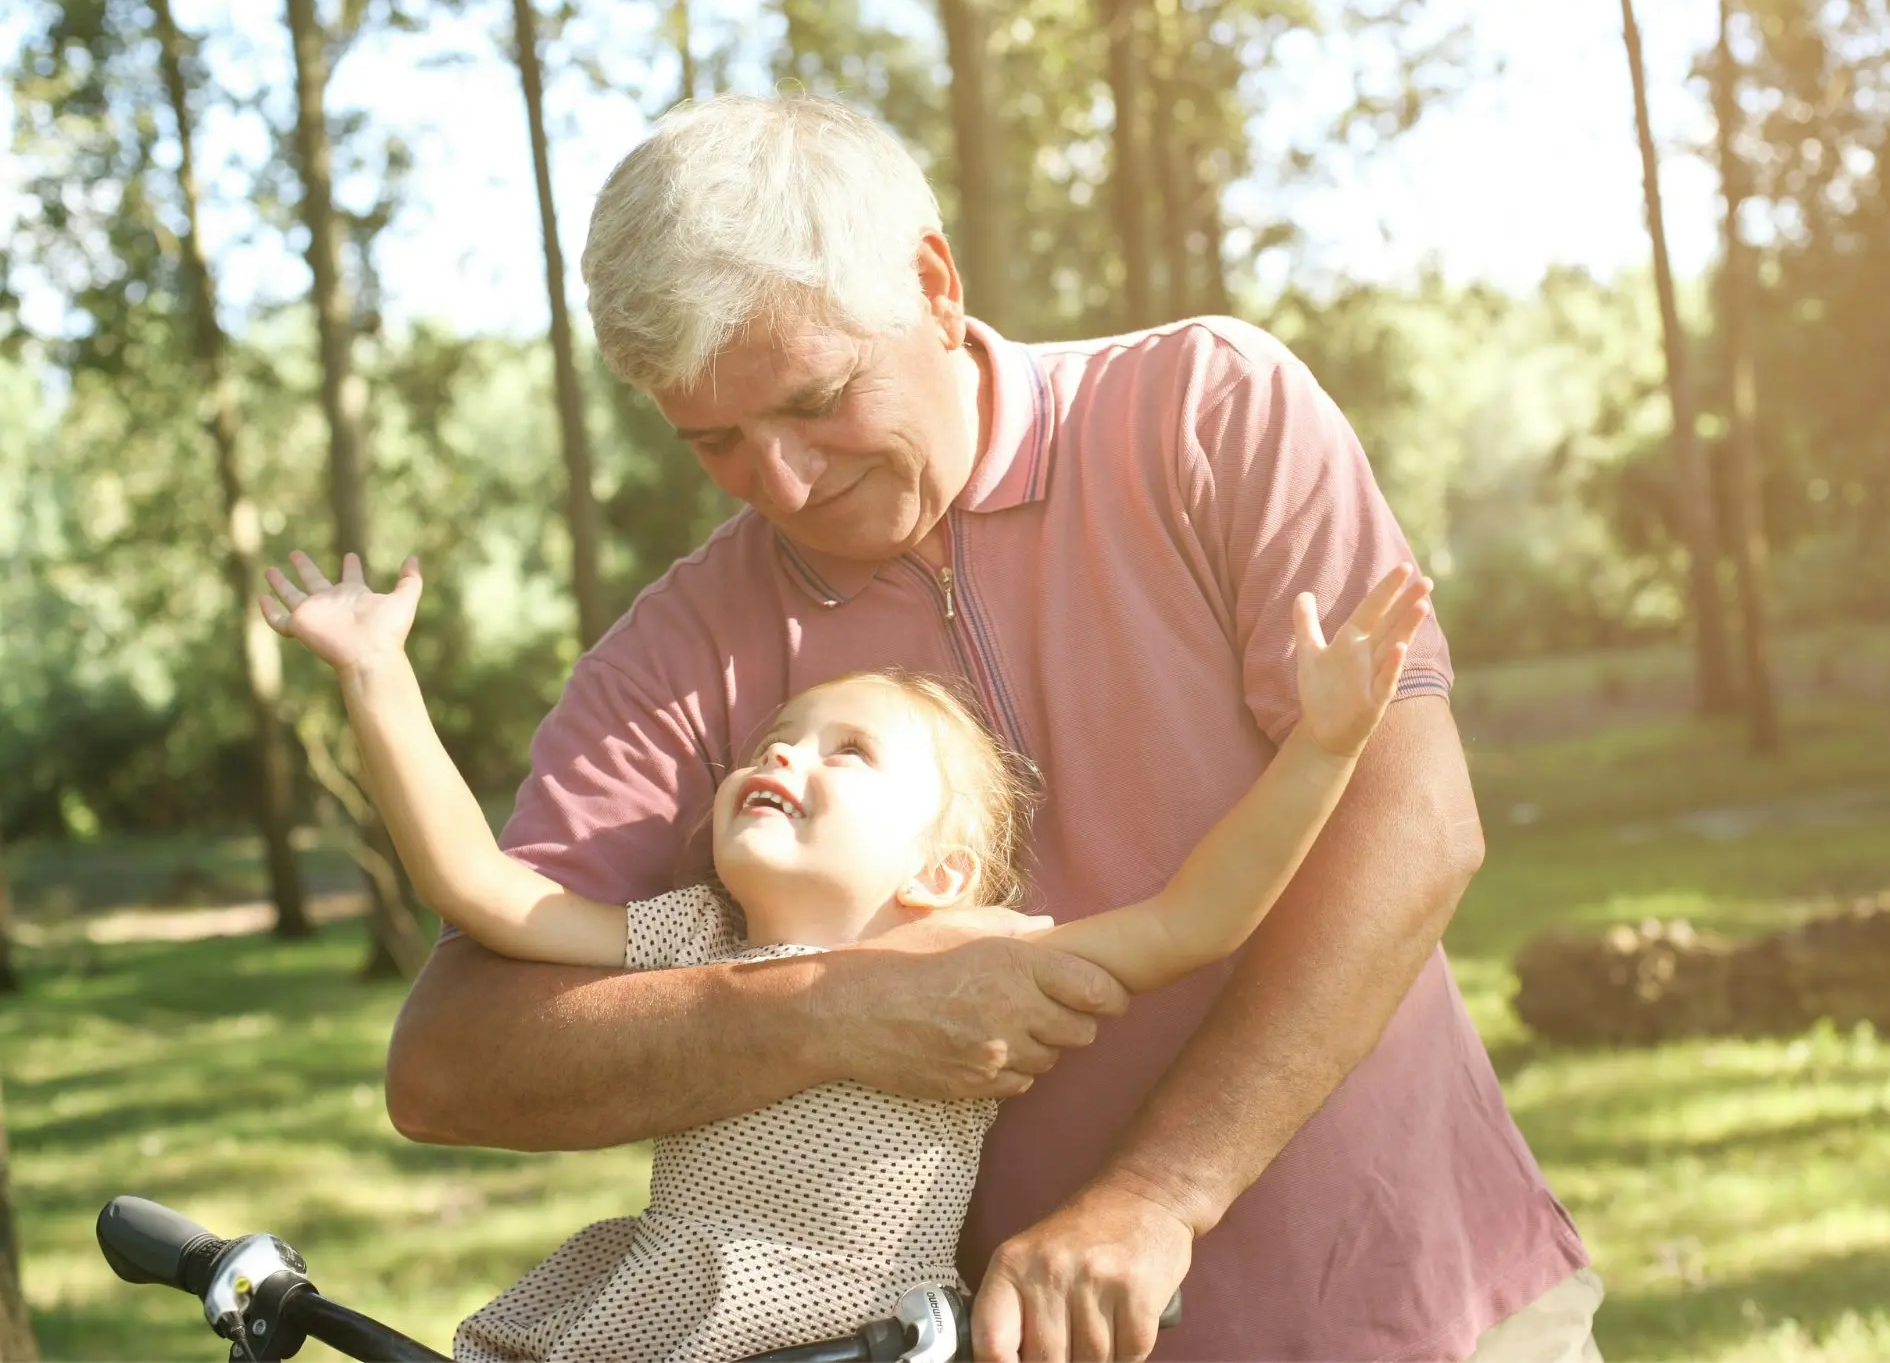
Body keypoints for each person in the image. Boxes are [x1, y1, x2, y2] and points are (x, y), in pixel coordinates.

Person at [383, 92, 1598, 1362]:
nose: (780, 482)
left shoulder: (1207, 409)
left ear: (932, 282)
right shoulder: (673, 658)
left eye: (814, 399)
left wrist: (1156, 1197)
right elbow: (454, 1063)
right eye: (715, 443)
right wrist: (828, 1008)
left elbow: (1417, 828)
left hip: (1422, 1303)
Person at [261, 547, 1429, 1361]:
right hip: (675, 1319)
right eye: (774, 740)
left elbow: (1198, 918)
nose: (784, 758)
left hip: (857, 1336)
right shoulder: (687, 941)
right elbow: (476, 888)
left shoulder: (970, 956)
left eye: (847, 752)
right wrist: (377, 679)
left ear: (936, 872)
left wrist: (1321, 748)